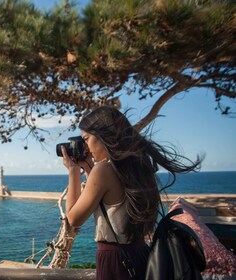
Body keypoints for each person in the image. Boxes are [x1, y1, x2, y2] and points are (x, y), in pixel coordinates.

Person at [61, 106, 203, 280]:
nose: (86, 147)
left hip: (115, 260)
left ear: (103, 135)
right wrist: (88, 167)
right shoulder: (138, 166)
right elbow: (107, 197)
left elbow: (74, 219)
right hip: (140, 254)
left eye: (87, 139)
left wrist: (73, 172)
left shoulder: (103, 170)